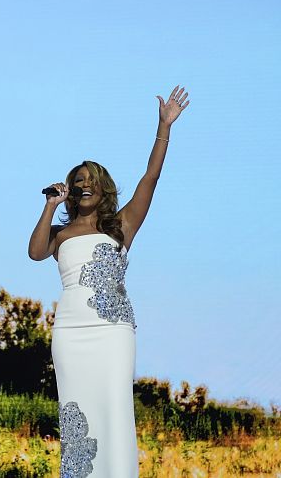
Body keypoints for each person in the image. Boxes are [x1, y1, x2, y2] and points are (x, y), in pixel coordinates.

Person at [28, 86, 189, 477]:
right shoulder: (61, 234)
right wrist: (50, 206)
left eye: (90, 179)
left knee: (114, 406)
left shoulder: (122, 226)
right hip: (70, 332)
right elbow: (35, 252)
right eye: (77, 180)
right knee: (76, 411)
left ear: (102, 187)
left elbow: (150, 177)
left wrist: (163, 127)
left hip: (112, 331)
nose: (84, 184)